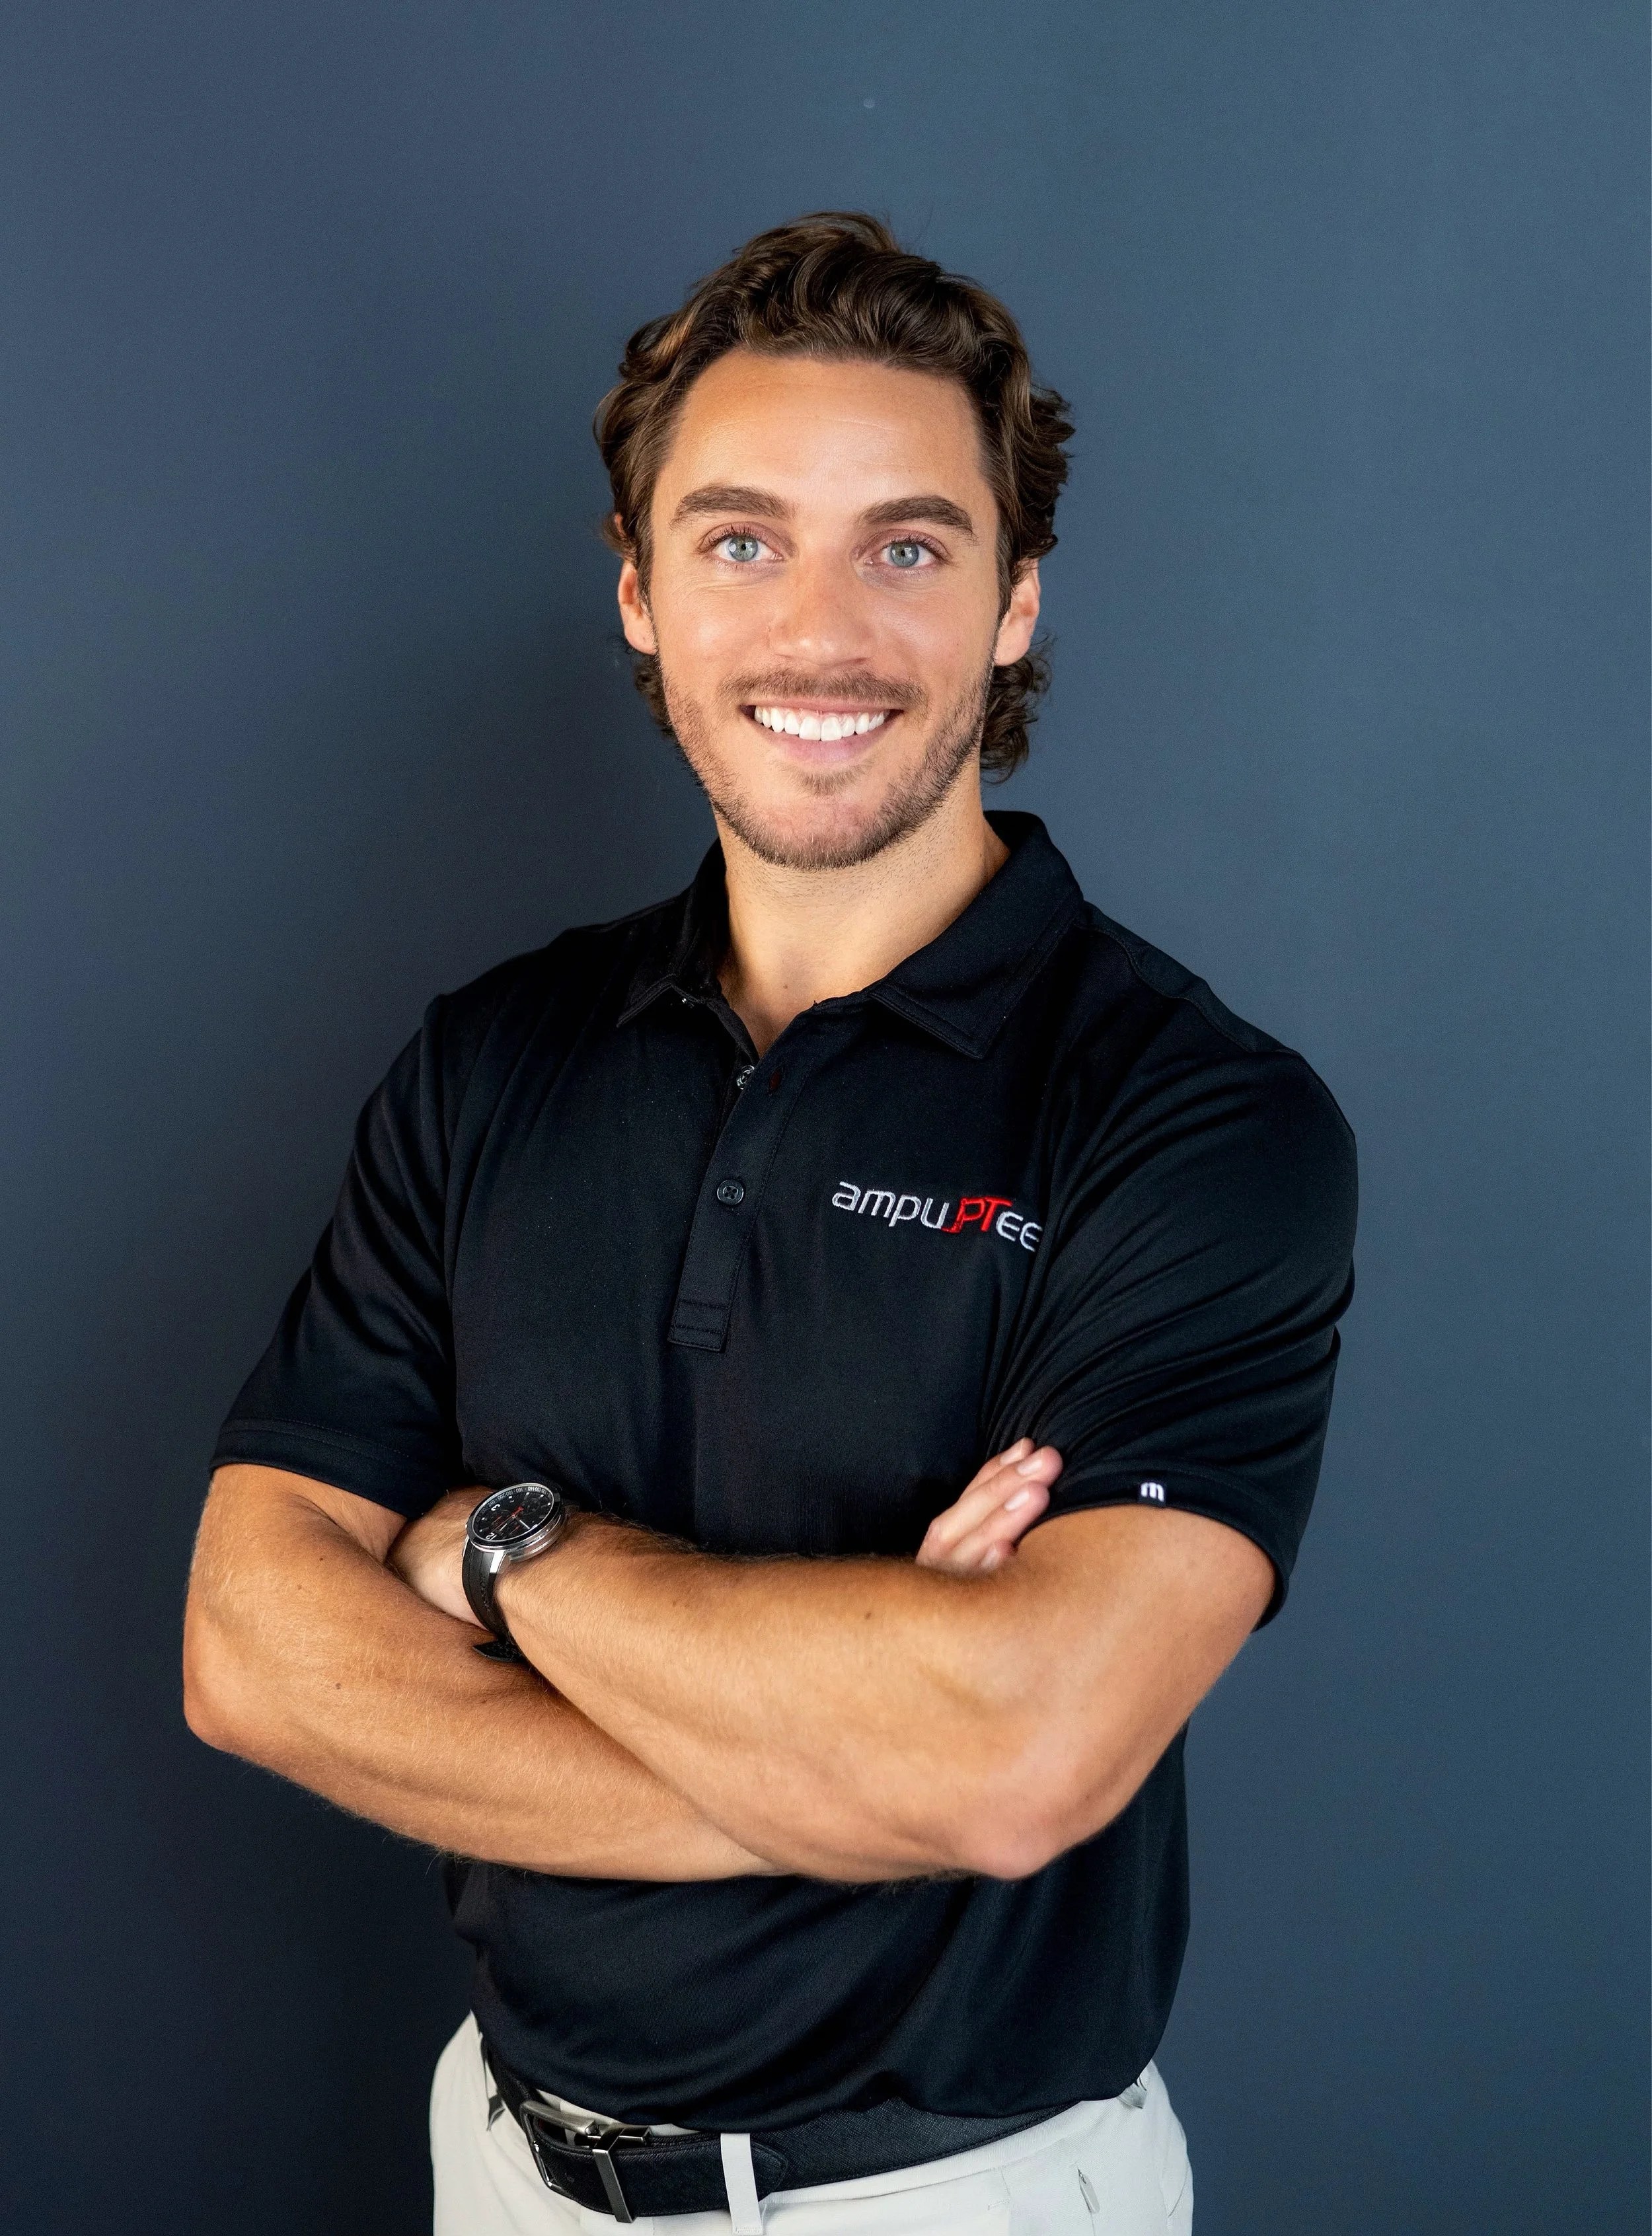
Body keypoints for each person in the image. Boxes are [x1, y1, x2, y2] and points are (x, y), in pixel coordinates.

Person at [184, 212, 1356, 2235]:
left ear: (1012, 602)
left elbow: (1013, 1760)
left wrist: (495, 1544)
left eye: (908, 545)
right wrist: (846, 1775)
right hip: (506, 2163)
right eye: (739, 542)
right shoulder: (495, 1059)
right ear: (640, 596)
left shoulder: (1193, 1116)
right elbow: (253, 1648)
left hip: (955, 2196)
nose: (823, 633)